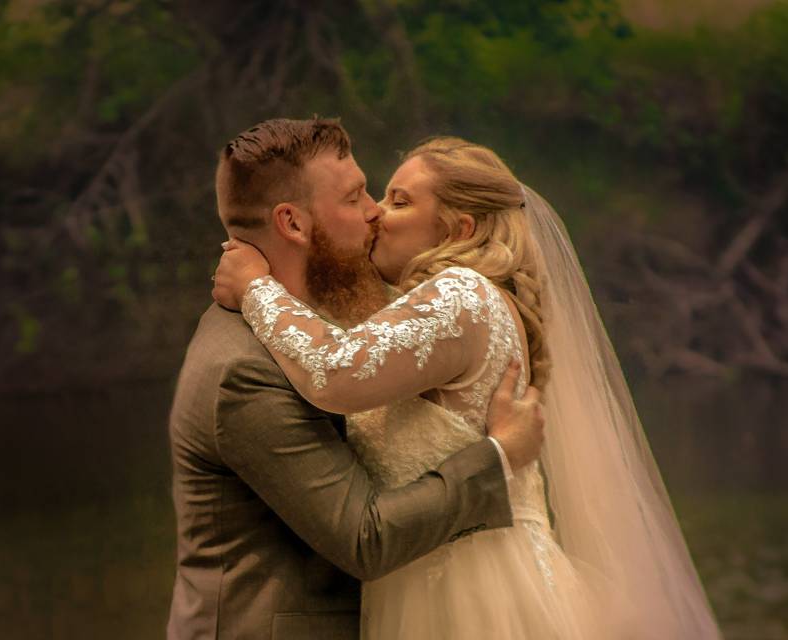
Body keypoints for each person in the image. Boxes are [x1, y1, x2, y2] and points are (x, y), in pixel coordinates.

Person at [214, 136, 722, 638]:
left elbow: (335, 372)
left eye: (400, 201)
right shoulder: (452, 305)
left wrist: (256, 286)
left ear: (460, 227)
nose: (377, 214)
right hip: (440, 581)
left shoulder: (462, 295)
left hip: (476, 596)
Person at [167, 119, 547, 640]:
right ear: (293, 225)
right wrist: (498, 458)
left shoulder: (361, 319)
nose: (373, 211)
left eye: (390, 198)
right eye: (356, 198)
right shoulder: (243, 367)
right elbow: (364, 537)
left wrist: (256, 288)